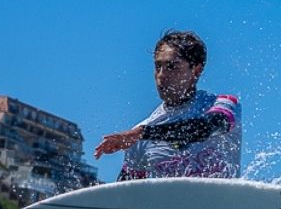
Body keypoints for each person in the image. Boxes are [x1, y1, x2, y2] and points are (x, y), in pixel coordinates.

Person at [94, 30, 241, 180]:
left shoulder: (223, 104)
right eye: (158, 67)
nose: (162, 75)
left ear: (196, 71)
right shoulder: (140, 135)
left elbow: (204, 129)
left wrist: (142, 133)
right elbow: (125, 191)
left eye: (172, 66)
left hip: (221, 196)